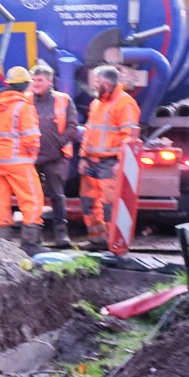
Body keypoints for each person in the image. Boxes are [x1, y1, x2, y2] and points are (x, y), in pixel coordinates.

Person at [80, 65, 140, 249]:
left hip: (110, 161)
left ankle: (114, 241)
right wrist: (83, 156)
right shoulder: (97, 103)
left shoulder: (125, 103)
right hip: (92, 161)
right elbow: (89, 131)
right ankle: (97, 238)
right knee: (88, 202)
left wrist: (120, 162)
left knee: (109, 204)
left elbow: (129, 136)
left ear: (106, 83)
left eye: (96, 82)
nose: (94, 86)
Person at [0, 66, 43, 247]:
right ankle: (30, 242)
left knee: (0, 200)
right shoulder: (24, 106)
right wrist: (31, 156)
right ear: (25, 85)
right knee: (31, 198)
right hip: (19, 162)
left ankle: (3, 242)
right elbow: (32, 137)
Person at [29, 62, 81, 248]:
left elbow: (72, 126)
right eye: (34, 80)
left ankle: (61, 233)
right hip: (31, 156)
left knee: (57, 195)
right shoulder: (26, 99)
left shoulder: (64, 100)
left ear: (50, 81)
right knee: (32, 196)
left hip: (55, 157)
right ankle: (34, 234)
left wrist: (59, 143)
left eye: (40, 80)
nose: (36, 83)